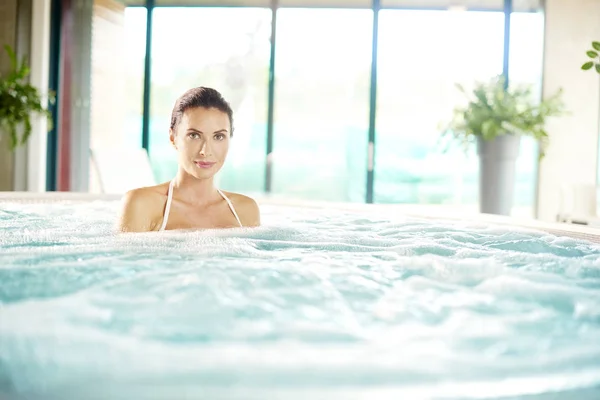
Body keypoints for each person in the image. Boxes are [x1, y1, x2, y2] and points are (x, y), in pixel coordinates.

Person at [118, 87, 260, 232]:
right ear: (173, 138)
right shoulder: (142, 204)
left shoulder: (245, 211)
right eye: (194, 135)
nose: (206, 151)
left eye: (218, 137)